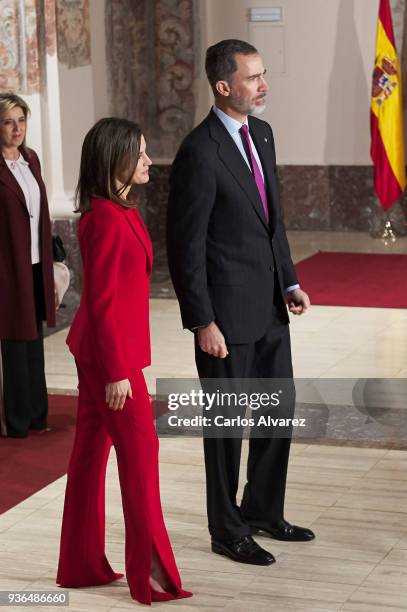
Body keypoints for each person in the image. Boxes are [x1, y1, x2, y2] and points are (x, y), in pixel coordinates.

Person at [167, 39, 315, 566]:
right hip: (225, 322)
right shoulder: (199, 151)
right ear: (223, 85)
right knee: (227, 430)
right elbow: (185, 247)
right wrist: (201, 320)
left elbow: (271, 220)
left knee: (278, 415)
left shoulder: (264, 135)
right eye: (253, 78)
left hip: (271, 309)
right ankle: (226, 529)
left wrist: (290, 281)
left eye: (263, 75)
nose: (264, 86)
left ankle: (262, 511)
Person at [56, 118, 192, 605]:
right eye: (140, 154)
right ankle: (151, 574)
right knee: (140, 458)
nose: (149, 160)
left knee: (90, 456)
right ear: (115, 159)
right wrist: (116, 370)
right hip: (109, 356)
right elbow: (101, 302)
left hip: (102, 349)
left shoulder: (120, 209)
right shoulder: (105, 219)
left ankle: (80, 564)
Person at [0, 92, 55, 438]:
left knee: (35, 340)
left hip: (36, 263)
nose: (16, 128)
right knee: (15, 342)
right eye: (8, 121)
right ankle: (16, 420)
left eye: (21, 120)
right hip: (7, 268)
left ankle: (37, 415)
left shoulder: (30, 159)